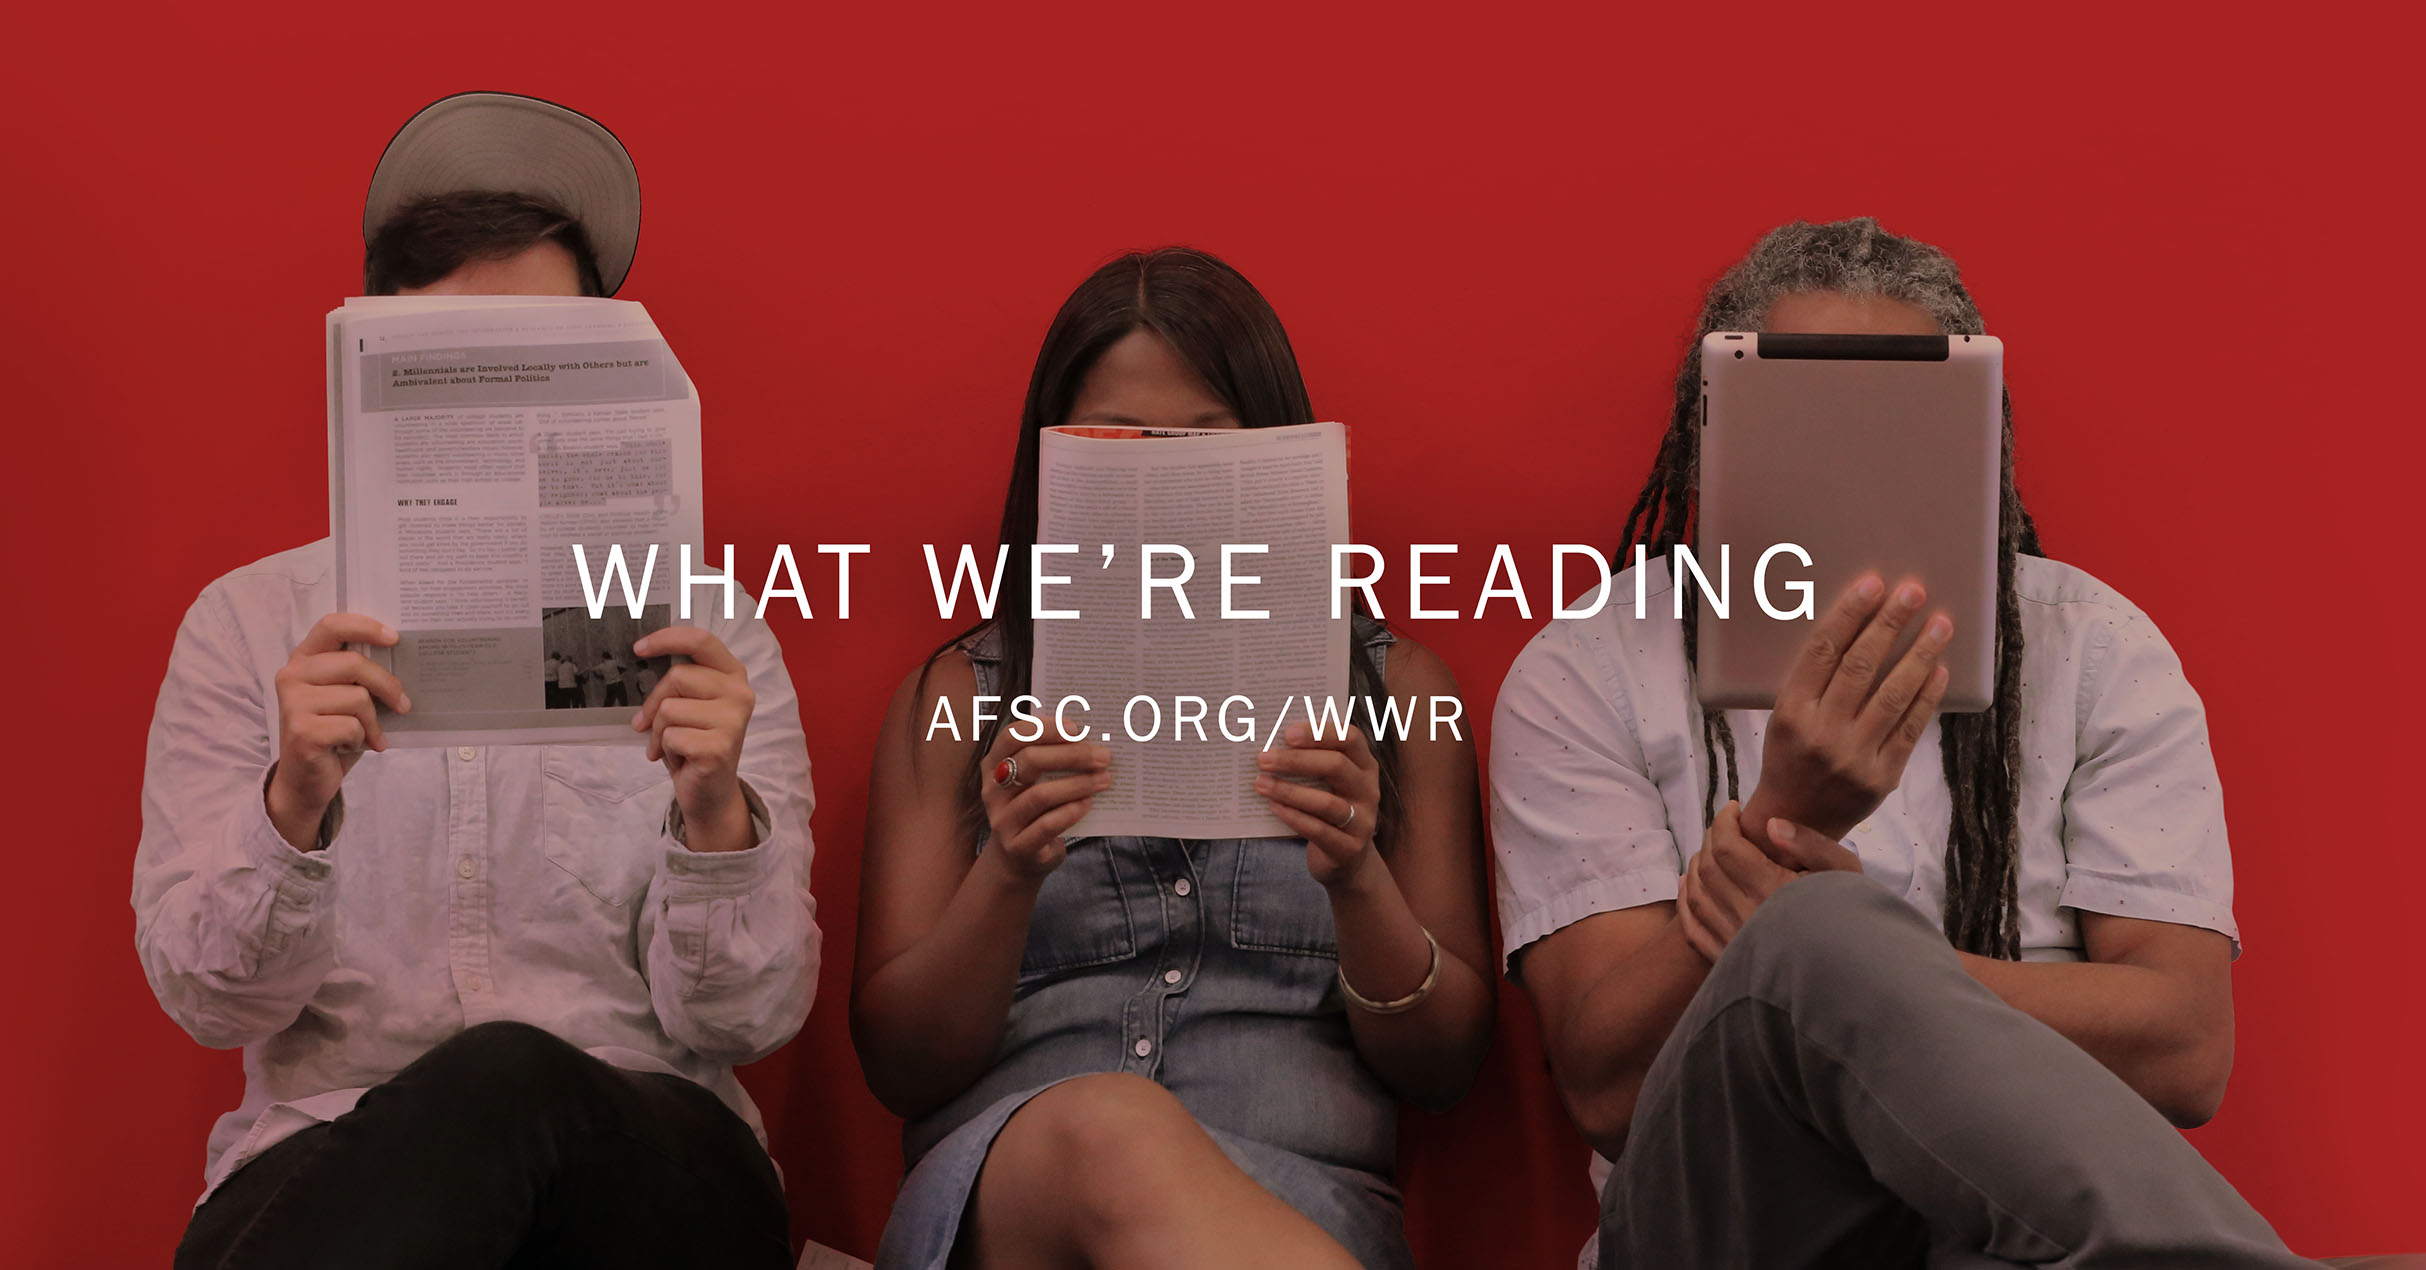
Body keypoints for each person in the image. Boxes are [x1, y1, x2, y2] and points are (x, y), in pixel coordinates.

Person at [1487, 216, 2317, 1269]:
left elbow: (2186, 1047)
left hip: (2009, 1229)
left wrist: (1852, 972)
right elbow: (1605, 1093)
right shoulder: (1587, 669)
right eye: (1800, 416)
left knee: (1822, 936)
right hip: (1726, 1232)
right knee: (1817, 929)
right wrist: (1782, 833)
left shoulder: (2092, 648)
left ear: (1980, 439)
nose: (1844, 464)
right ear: (1712, 430)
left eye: (1896, 423)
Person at [135, 92, 817, 1270]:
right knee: (451, 1118)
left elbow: (744, 1021)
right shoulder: (250, 625)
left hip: (648, 1159)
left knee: (507, 1071)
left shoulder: (706, 632)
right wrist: (292, 803)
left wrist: (715, 820)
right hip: (331, 1149)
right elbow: (212, 1004)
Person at [854, 247, 1495, 1269]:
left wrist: (1356, 875)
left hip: (1298, 1200)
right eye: (1116, 444)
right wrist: (1008, 870)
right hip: (1019, 1195)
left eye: (1204, 446)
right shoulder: (959, 697)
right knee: (1110, 1130)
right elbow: (900, 1061)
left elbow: (1445, 1064)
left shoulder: (1399, 695)